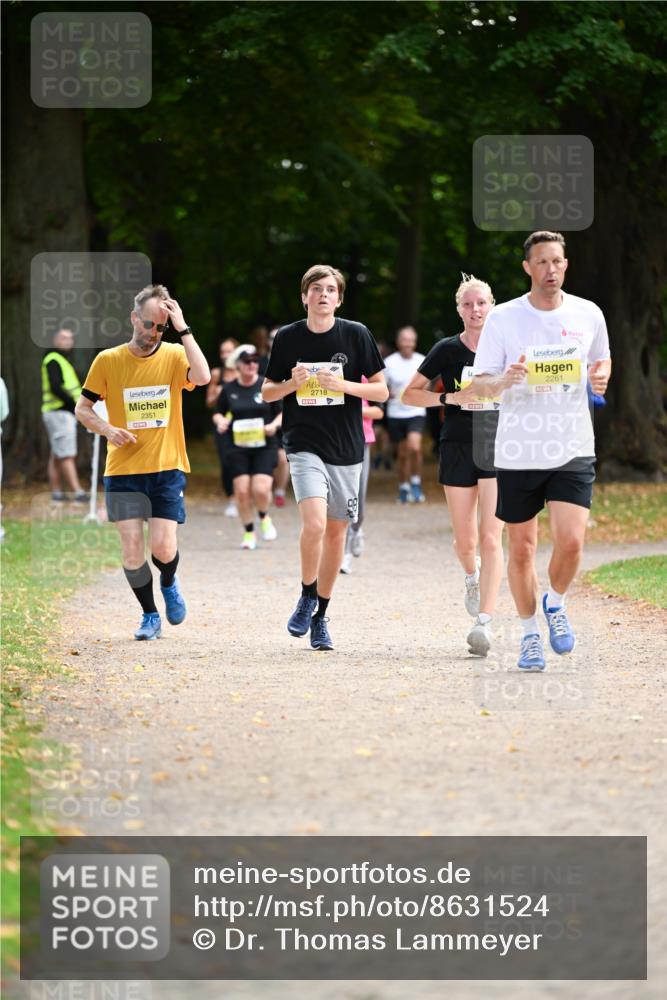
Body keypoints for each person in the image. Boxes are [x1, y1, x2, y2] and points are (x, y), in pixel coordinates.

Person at [472, 231, 611, 671]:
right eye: (542, 262)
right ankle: (530, 635)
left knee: (571, 543)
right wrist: (504, 380)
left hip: (571, 444)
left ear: (565, 265)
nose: (551, 269)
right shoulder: (504, 319)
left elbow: (601, 359)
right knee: (521, 551)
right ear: (527, 268)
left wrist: (600, 377)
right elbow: (480, 383)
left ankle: (556, 601)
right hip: (519, 449)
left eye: (557, 261)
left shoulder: (588, 312)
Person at [262, 264, 387, 651]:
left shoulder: (356, 334)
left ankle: (321, 615)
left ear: (339, 298)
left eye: (330, 289)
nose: (323, 295)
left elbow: (382, 393)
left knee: (337, 534)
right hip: (303, 443)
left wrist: (345, 385)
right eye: (315, 289)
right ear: (304, 297)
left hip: (348, 449)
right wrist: (290, 384)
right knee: (314, 524)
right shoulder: (287, 337)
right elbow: (267, 393)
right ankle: (305, 594)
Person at [75, 284, 210, 640]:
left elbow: (203, 377)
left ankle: (168, 582)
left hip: (167, 466)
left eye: (161, 327)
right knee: (133, 549)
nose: (153, 333)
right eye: (149, 324)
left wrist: (183, 330)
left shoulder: (174, 354)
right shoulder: (108, 360)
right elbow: (83, 408)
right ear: (134, 318)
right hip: (123, 470)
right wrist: (107, 429)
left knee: (163, 547)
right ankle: (150, 615)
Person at [403, 276, 504, 656]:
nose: (475, 310)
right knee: (466, 542)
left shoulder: (507, 347)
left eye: (481, 303)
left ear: (491, 305)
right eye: (468, 304)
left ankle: (485, 623)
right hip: (458, 446)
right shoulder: (447, 349)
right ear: (459, 309)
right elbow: (409, 394)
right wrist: (451, 397)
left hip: (498, 447)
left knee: (492, 537)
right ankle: (471, 576)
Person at [213, 345, 281, 549]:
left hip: (264, 445)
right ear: (239, 365)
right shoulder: (229, 389)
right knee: (242, 492)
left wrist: (274, 425)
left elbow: (282, 412)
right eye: (247, 362)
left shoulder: (266, 386)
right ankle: (249, 533)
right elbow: (218, 412)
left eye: (255, 361)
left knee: (260, 489)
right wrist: (220, 421)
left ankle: (264, 516)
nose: (252, 365)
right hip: (238, 446)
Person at [340, 377, 384, 574]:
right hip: (333, 441)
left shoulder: (366, 377)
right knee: (339, 499)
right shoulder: (325, 372)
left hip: (361, 441)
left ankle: (356, 530)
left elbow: (378, 411)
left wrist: (351, 410)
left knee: (358, 499)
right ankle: (344, 553)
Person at [41, 327, 88, 502]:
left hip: (57, 413)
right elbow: (55, 387)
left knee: (57, 453)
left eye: (70, 338)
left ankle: (57, 492)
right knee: (67, 453)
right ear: (54, 341)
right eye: (63, 338)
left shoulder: (61, 360)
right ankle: (77, 492)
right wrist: (74, 404)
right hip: (60, 412)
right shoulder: (54, 360)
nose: (67, 341)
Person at [383, 326, 427, 503]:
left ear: (415, 342)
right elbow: (383, 388)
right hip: (396, 412)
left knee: (415, 447)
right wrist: (389, 394)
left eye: (410, 340)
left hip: (416, 411)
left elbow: (428, 385)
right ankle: (403, 486)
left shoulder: (422, 360)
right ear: (398, 342)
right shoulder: (389, 362)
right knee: (402, 454)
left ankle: (416, 482)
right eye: (404, 339)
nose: (407, 343)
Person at [206, 337, 240, 518]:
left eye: (229, 351)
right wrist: (218, 394)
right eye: (222, 352)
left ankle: (247, 498)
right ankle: (232, 499)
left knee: (245, 462)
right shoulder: (217, 374)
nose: (225, 355)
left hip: (244, 424)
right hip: (222, 425)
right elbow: (209, 403)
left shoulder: (246, 370)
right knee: (227, 463)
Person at [268, 325, 290, 508]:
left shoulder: (294, 356)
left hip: (286, 414)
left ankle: (280, 490)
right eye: (272, 338)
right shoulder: (257, 362)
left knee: (283, 458)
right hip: (263, 415)